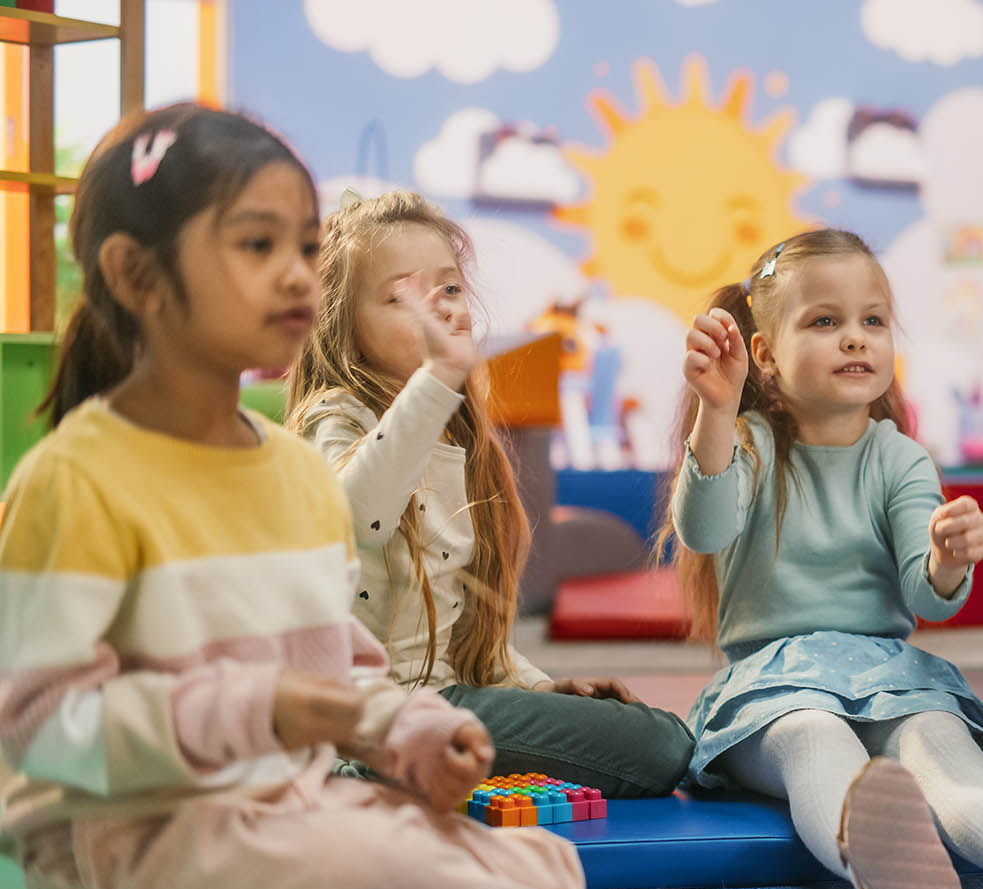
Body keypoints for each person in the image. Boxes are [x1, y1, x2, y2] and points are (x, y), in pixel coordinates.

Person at [0, 103, 820, 889]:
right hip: (124, 847)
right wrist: (262, 709)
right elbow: (41, 731)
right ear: (135, 275)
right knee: (365, 867)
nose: (293, 276)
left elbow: (343, 663)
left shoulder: (284, 475)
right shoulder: (76, 479)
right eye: (254, 245)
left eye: (303, 248)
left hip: (277, 804)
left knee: (534, 861)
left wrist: (401, 728)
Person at [661, 228, 983, 889]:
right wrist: (714, 412)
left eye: (873, 321)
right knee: (816, 739)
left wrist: (949, 556)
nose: (856, 339)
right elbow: (705, 528)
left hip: (889, 673)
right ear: (766, 356)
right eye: (825, 321)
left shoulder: (900, 457)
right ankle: (877, 861)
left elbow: (927, 593)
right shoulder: (748, 441)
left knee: (939, 741)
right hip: (773, 686)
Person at [286, 190, 692, 797]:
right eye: (403, 296)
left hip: (438, 699)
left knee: (654, 734)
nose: (440, 310)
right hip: (371, 710)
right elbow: (355, 518)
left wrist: (538, 689)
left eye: (449, 290)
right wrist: (436, 379)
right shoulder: (334, 418)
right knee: (663, 746)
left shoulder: (457, 434)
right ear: (340, 320)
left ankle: (401, 760)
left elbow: (466, 630)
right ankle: (365, 762)